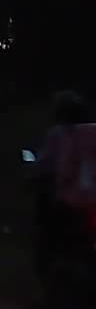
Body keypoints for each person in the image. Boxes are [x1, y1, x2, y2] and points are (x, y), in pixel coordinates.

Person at [33, 90, 90, 283]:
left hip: (65, 196)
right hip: (87, 196)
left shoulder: (58, 134)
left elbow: (45, 164)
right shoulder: (90, 133)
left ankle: (45, 278)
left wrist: (34, 176)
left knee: (46, 231)